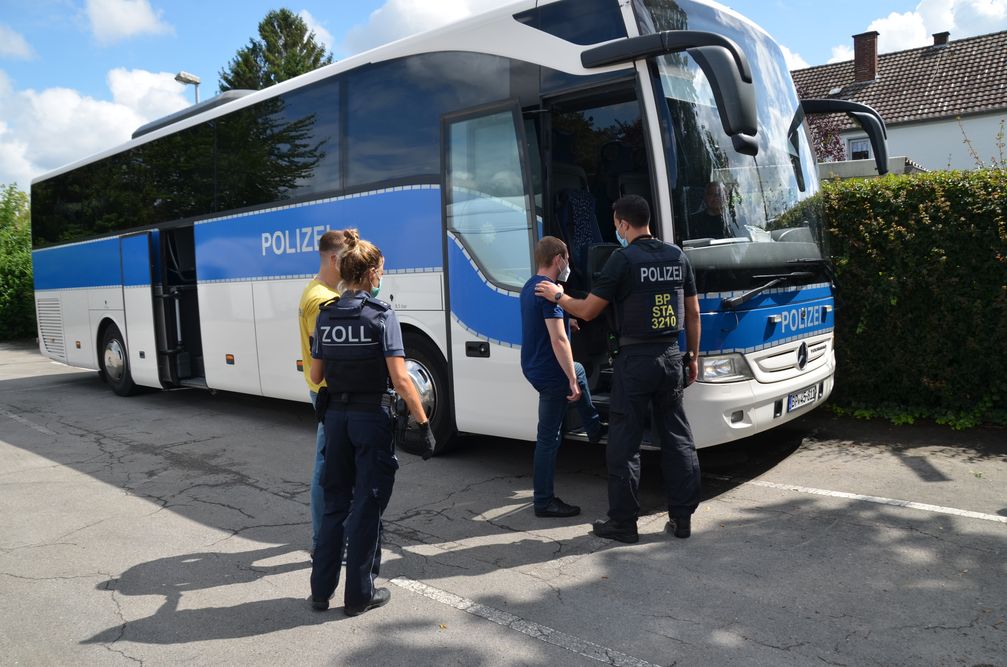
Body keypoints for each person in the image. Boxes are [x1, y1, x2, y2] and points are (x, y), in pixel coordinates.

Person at [535, 194, 701, 544]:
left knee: (625, 445)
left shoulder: (622, 260)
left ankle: (623, 524)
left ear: (624, 224)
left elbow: (590, 310)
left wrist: (557, 297)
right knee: (677, 439)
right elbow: (694, 313)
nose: (617, 232)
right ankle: (682, 519)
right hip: (671, 356)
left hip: (635, 361)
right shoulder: (677, 256)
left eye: (616, 226)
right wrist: (693, 357)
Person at [309, 229, 436, 616]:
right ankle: (359, 595)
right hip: (369, 419)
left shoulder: (327, 314)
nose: (382, 276)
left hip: (336, 420)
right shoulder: (381, 316)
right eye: (380, 270)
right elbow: (401, 380)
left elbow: (316, 376)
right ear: (370, 275)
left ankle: (320, 592)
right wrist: (423, 423)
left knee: (335, 505)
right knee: (367, 505)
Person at [520, 236, 604, 519]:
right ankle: (544, 501)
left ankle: (594, 428)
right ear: (558, 259)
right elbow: (558, 340)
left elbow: (544, 321)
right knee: (548, 438)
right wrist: (569, 378)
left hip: (532, 366)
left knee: (580, 370)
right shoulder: (550, 291)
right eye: (567, 258)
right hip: (551, 372)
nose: (569, 263)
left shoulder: (530, 286)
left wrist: (567, 319)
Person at [297, 229, 344, 557]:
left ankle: (324, 540)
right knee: (326, 468)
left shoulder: (317, 290)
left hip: (323, 390)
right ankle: (321, 543)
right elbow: (325, 357)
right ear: (333, 259)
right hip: (328, 392)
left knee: (329, 464)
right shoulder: (322, 300)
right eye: (347, 259)